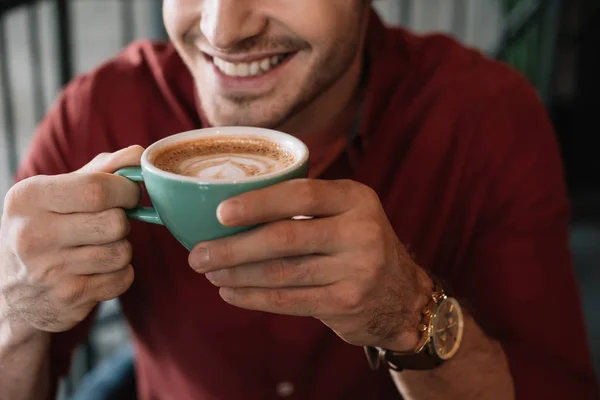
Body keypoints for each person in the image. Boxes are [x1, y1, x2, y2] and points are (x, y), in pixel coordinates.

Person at [0, 1, 597, 399]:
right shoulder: (97, 114)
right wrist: (14, 315)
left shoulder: (487, 118)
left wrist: (409, 314)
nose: (221, 30)